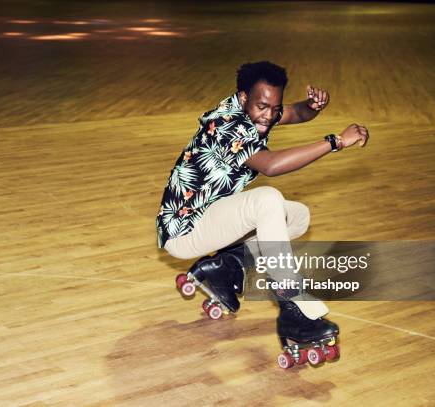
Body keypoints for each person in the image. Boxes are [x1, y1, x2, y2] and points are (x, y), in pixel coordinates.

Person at [156, 61, 369, 357]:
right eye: (262, 107)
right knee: (267, 199)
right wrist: (335, 142)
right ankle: (292, 309)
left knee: (295, 216)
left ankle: (225, 268)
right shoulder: (226, 123)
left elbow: (294, 113)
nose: (268, 116)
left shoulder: (257, 110)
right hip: (186, 230)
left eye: (273, 107)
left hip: (212, 217)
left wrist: (313, 106)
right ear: (243, 98)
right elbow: (270, 166)